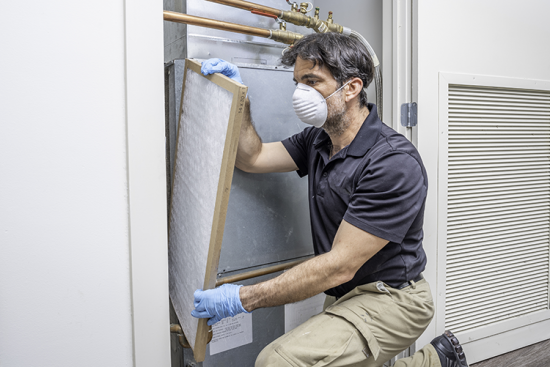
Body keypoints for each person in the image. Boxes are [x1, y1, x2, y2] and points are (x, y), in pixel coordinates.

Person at [191, 32, 468, 367]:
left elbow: (340, 264)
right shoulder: (318, 140)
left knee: (277, 362)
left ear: (351, 88)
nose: (300, 93)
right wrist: (240, 102)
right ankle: (438, 360)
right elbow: (254, 157)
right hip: (346, 292)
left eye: (311, 81)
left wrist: (242, 298)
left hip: (393, 297)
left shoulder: (392, 162)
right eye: (297, 82)